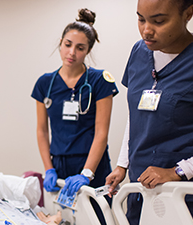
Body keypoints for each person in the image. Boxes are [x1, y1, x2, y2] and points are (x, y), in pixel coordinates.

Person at [105, 0, 193, 224]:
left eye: (158, 21)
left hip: (185, 196)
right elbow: (137, 116)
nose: (146, 30)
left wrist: (179, 171)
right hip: (141, 188)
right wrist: (122, 164)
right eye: (140, 19)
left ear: (187, 14)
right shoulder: (139, 52)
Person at [31, 8, 118, 224]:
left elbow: (101, 132)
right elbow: (42, 130)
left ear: (88, 50)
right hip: (59, 164)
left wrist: (87, 173)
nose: (72, 53)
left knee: (99, 219)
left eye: (80, 48)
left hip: (92, 165)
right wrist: (48, 168)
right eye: (68, 45)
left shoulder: (100, 81)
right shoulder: (45, 83)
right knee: (66, 219)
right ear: (60, 43)